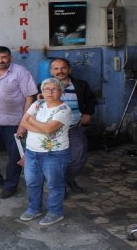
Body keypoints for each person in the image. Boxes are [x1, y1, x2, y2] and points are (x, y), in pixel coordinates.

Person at [0, 46, 37, 199]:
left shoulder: (21, 72)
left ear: (10, 57)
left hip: (14, 121)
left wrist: (24, 123)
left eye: (3, 57)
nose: (0, 61)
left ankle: (10, 186)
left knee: (14, 155)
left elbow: (30, 97)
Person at [18, 78, 71, 226]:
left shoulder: (64, 109)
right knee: (32, 182)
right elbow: (23, 122)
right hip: (32, 152)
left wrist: (32, 121)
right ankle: (34, 209)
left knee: (54, 184)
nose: (49, 92)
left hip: (54, 154)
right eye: (46, 89)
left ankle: (55, 212)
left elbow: (49, 129)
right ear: (42, 91)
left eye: (54, 89)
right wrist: (39, 126)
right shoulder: (37, 104)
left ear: (61, 92)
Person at [49, 58, 96, 194]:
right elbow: (38, 105)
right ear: (51, 71)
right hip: (53, 130)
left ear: (69, 69)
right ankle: (60, 186)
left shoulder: (81, 85)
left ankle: (68, 179)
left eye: (63, 68)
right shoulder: (45, 86)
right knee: (56, 160)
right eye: (56, 69)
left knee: (79, 156)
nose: (60, 71)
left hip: (74, 127)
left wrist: (88, 114)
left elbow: (91, 100)